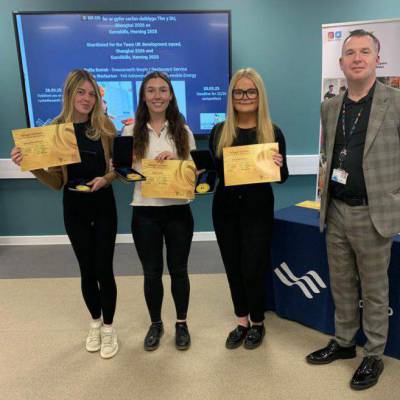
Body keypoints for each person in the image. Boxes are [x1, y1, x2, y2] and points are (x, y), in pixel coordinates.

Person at [306, 29, 400, 390]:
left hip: (373, 213)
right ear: (341, 62)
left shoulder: (395, 100)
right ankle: (344, 342)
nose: (357, 57)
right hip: (336, 210)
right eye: (350, 52)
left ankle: (373, 353)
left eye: (365, 51)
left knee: (375, 289)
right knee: (342, 284)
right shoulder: (330, 106)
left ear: (378, 59)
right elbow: (331, 157)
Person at [11, 69, 119, 359]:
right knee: (86, 269)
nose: (86, 98)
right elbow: (57, 182)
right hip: (74, 209)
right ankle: (95, 323)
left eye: (91, 93)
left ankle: (109, 329)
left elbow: (115, 170)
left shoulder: (105, 126)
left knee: (104, 269)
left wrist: (105, 179)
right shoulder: (56, 129)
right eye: (81, 92)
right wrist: (31, 164)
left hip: (104, 205)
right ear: (69, 94)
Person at [209, 68, 288, 350]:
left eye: (250, 91)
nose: (244, 97)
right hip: (225, 211)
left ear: (259, 96)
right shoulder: (220, 131)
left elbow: (283, 177)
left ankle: (257, 322)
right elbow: (214, 173)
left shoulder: (272, 131)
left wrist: (278, 164)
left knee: (253, 268)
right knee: (233, 267)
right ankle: (241, 320)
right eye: (239, 92)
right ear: (231, 97)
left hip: (258, 211)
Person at [122, 71, 196, 351]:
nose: (157, 96)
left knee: (179, 270)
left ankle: (181, 323)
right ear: (143, 96)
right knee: (151, 273)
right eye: (151, 90)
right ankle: (156, 324)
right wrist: (125, 165)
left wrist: (177, 159)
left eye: (162, 90)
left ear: (171, 95)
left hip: (178, 211)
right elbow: (120, 173)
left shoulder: (183, 130)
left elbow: (194, 172)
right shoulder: (130, 131)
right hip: (145, 212)